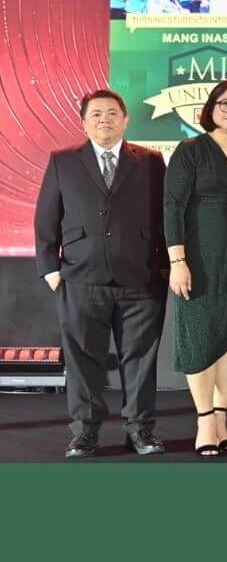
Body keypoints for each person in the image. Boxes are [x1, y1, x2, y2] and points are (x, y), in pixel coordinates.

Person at [34, 89, 168, 458]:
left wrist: (165, 266)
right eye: (96, 114)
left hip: (141, 278)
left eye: (112, 113)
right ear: (84, 122)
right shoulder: (63, 161)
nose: (104, 119)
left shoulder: (151, 161)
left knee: (140, 361)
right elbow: (47, 218)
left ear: (126, 120)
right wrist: (50, 269)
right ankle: (84, 434)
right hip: (80, 277)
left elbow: (165, 217)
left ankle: (140, 431)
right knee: (83, 361)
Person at [163, 81, 227, 457]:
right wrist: (177, 261)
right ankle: (204, 418)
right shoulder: (190, 151)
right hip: (196, 258)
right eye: (226, 103)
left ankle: (221, 416)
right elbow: (172, 207)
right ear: (210, 108)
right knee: (200, 338)